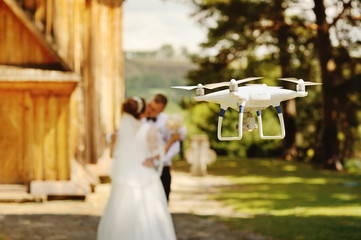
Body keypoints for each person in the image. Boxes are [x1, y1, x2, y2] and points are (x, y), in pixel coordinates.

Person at [97, 96, 177, 240]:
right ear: (141, 113)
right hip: (145, 176)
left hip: (125, 178)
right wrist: (171, 141)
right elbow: (159, 154)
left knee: (121, 215)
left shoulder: (120, 132)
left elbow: (114, 153)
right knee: (150, 215)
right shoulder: (149, 130)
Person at [143, 94, 186, 202]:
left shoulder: (167, 121)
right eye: (150, 105)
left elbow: (177, 138)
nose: (150, 109)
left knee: (163, 201)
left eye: (154, 109)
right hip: (143, 167)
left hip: (163, 168)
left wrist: (163, 160)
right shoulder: (139, 119)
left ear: (162, 109)